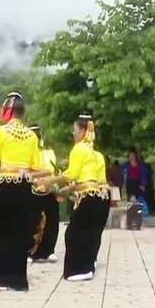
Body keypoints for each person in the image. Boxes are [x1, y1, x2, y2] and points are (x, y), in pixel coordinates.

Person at [0, 92, 43, 291]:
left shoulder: (0, 131)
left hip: (7, 185)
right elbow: (35, 164)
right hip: (25, 185)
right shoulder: (31, 135)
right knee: (20, 231)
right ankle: (18, 278)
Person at [38, 114, 105, 282]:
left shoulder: (79, 148)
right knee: (87, 233)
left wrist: (51, 180)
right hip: (94, 195)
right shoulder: (91, 151)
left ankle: (80, 270)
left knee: (74, 233)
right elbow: (84, 178)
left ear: (82, 131)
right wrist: (67, 189)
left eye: (74, 130)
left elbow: (72, 174)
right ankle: (87, 267)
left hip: (87, 196)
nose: (73, 133)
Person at [28, 123, 60, 264]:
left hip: (48, 189)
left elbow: (50, 170)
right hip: (33, 190)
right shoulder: (25, 156)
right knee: (32, 222)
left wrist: (35, 174)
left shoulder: (48, 153)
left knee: (51, 220)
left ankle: (48, 250)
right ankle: (30, 251)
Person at [92, 149, 111, 269]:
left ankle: (91, 257)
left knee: (93, 230)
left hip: (98, 193)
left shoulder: (91, 155)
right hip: (102, 194)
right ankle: (92, 257)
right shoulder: (97, 155)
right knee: (95, 231)